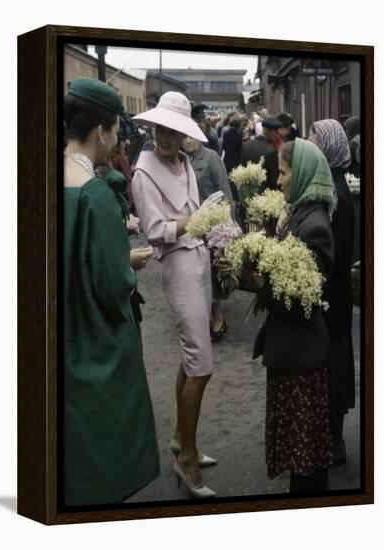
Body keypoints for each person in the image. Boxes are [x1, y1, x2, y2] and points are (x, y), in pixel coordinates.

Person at [63, 77, 159, 507]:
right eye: (117, 130)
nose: (118, 138)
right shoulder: (95, 196)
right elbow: (111, 283)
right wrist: (129, 263)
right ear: (100, 131)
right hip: (91, 334)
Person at [220, 138, 336, 492]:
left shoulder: (314, 225)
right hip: (293, 351)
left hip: (302, 354)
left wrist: (252, 279)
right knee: (302, 457)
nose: (279, 181)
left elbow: (301, 298)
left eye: (284, 173)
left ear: (301, 174)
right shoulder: (300, 211)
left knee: (308, 463)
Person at [132, 91, 219, 499]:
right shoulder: (143, 172)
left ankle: (181, 440)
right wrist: (191, 222)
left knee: (192, 354)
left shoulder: (184, 162)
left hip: (198, 258)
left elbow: (195, 217)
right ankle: (186, 457)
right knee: (201, 364)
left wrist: (213, 228)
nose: (164, 138)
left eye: (173, 130)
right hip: (177, 264)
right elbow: (154, 231)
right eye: (159, 129)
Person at [309, 119, 356, 464]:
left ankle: (335, 443)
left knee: (335, 373)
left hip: (334, 300)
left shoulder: (336, 195)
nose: (308, 145)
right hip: (334, 299)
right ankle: (331, 440)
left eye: (313, 140)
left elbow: (333, 256)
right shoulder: (331, 186)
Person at [182, 134, 234, 341]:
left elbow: (225, 192)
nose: (187, 141)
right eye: (184, 137)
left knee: (211, 272)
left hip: (212, 226)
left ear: (199, 137)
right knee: (196, 274)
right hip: (189, 226)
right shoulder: (182, 159)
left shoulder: (211, 158)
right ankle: (204, 318)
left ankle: (218, 317)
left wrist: (227, 226)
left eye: (191, 137)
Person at [241, 116, 282, 192]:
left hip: (247, 193)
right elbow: (275, 179)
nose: (277, 135)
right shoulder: (271, 151)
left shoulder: (245, 145)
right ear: (268, 131)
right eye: (275, 132)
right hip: (264, 196)